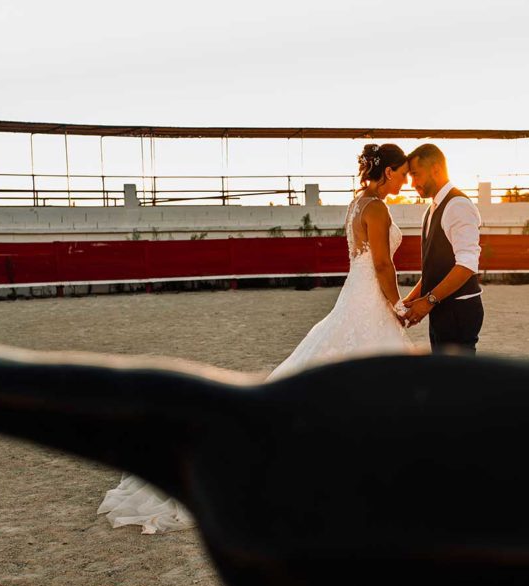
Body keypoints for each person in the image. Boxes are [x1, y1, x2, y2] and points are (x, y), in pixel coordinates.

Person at [98, 143, 416, 533]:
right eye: (402, 173)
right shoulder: (379, 208)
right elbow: (383, 263)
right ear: (388, 172)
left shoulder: (357, 204)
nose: (406, 180)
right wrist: (398, 306)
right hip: (370, 299)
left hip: (354, 295)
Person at [400, 144, 484, 354]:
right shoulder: (432, 209)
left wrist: (427, 301)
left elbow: (467, 265)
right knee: (445, 379)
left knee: (458, 381)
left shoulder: (457, 205)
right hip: (441, 307)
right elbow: (436, 266)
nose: (412, 183)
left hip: (459, 309)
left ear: (436, 169)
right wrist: (412, 299)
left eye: (415, 174)